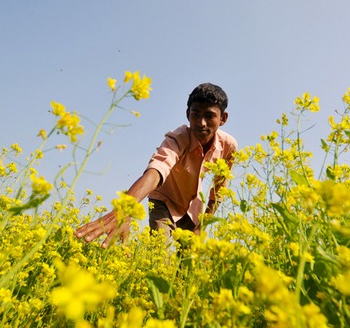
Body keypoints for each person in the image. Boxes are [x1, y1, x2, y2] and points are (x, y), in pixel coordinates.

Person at [75, 82, 238, 248]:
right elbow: (156, 170)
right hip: (163, 202)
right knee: (159, 252)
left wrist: (202, 226)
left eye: (209, 116)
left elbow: (219, 190)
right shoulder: (178, 138)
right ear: (187, 114)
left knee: (189, 258)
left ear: (223, 119)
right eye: (195, 114)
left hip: (192, 208)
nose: (201, 122)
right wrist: (124, 210)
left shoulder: (229, 146)